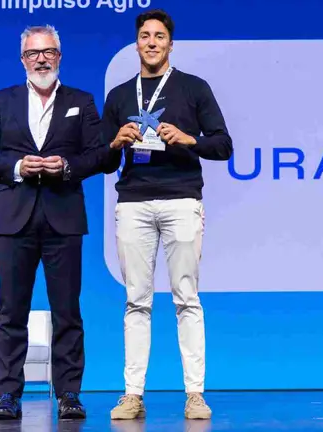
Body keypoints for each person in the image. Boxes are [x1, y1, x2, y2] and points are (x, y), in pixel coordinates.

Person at [0, 25, 114, 421]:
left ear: (59, 56)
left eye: (48, 52)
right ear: (22, 60)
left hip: (63, 217)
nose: (41, 59)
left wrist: (67, 166)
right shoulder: (3, 100)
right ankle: (8, 395)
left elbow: (101, 156)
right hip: (13, 218)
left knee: (67, 311)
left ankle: (69, 394)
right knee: (11, 312)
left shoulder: (80, 101)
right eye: (33, 53)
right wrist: (17, 166)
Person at [101, 9, 233, 420]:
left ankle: (195, 394)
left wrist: (190, 139)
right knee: (136, 301)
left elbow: (223, 145)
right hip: (134, 202)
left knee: (186, 299)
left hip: (181, 199)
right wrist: (114, 143)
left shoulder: (194, 88)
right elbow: (103, 161)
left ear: (171, 44)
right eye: (145, 36)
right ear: (136, 43)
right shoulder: (120, 95)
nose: (152, 42)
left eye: (159, 36)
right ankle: (132, 395)